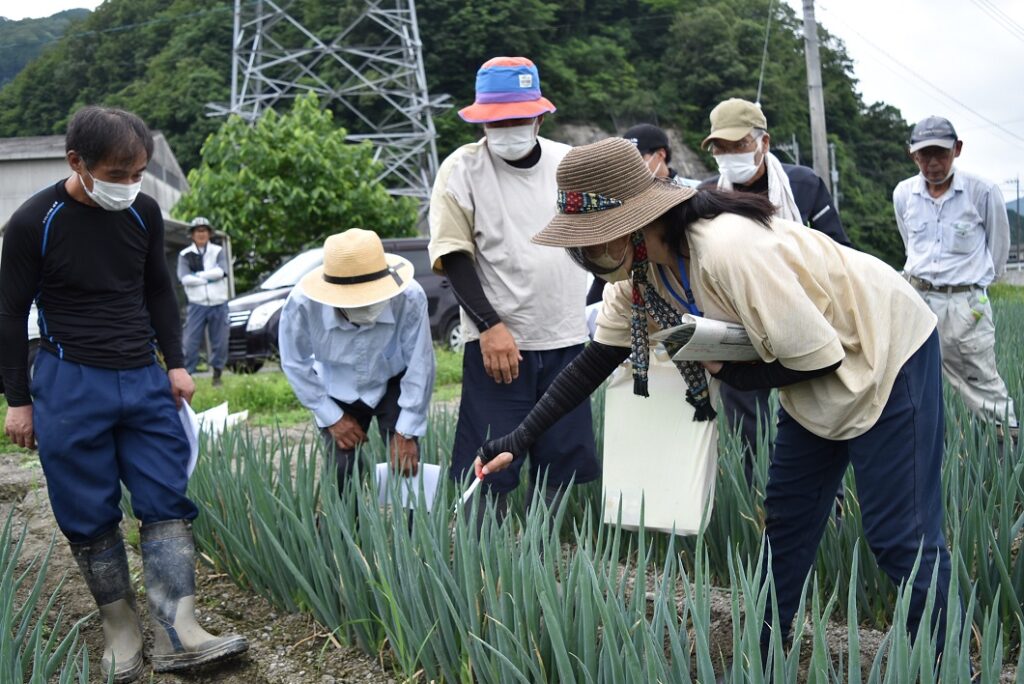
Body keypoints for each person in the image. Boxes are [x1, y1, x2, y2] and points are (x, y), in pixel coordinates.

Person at [475, 137, 955, 660]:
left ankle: (945, 659)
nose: (589, 256)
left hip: (884, 346)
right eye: (582, 246)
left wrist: (731, 372)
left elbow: (820, 358)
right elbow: (594, 361)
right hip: (806, 369)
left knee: (897, 536)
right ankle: (766, 655)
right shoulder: (637, 277)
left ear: (635, 224)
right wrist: (519, 438)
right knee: (788, 522)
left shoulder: (727, 250)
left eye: (594, 241)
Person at [0, 106, 247, 682]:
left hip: (142, 374)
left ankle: (177, 629)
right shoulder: (34, 221)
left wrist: (178, 363)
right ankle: (120, 629)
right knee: (85, 509)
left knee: (166, 495)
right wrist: (17, 398)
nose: (129, 184)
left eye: (138, 171)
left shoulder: (143, 211)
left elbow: (159, 291)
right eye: (117, 174)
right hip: (67, 376)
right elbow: (9, 315)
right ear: (76, 164)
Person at [428, 56, 598, 524]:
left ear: (540, 116)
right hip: (500, 349)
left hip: (566, 342)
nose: (508, 128)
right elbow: (454, 255)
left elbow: (603, 239)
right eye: (497, 121)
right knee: (490, 470)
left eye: (518, 119)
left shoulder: (569, 164)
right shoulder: (463, 169)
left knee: (560, 470)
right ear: (482, 120)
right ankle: (483, 565)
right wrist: (490, 325)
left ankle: (542, 569)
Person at [701, 97, 850, 484]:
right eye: (720, 148)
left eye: (739, 146)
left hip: (804, 322)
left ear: (763, 143)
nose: (729, 155)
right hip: (739, 327)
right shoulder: (707, 197)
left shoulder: (802, 186)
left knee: (811, 415)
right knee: (746, 428)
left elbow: (840, 254)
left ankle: (818, 494)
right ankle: (754, 501)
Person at [278, 229, 434, 491]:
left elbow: (421, 364)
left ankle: (411, 531)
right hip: (336, 386)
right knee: (342, 468)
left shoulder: (408, 297)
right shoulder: (303, 305)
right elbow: (295, 363)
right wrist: (332, 418)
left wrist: (406, 432)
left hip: (392, 379)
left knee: (407, 464)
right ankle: (342, 531)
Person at [894, 115, 1018, 444]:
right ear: (913, 155)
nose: (933, 163)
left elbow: (998, 251)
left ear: (957, 150)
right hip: (917, 299)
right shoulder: (904, 193)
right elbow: (910, 245)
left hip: (965, 304)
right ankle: (919, 454)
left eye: (941, 154)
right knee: (910, 382)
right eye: (924, 155)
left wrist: (971, 288)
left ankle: (1008, 459)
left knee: (983, 387)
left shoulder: (982, 192)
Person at [177, 216, 230, 386]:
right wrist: (209, 277)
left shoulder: (218, 251)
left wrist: (197, 276)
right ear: (192, 235)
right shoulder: (185, 254)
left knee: (220, 341)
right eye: (197, 231)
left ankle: (217, 375)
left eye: (204, 230)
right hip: (197, 303)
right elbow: (184, 278)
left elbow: (222, 271)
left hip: (218, 302)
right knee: (190, 341)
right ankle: (188, 376)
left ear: (209, 233)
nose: (201, 234)